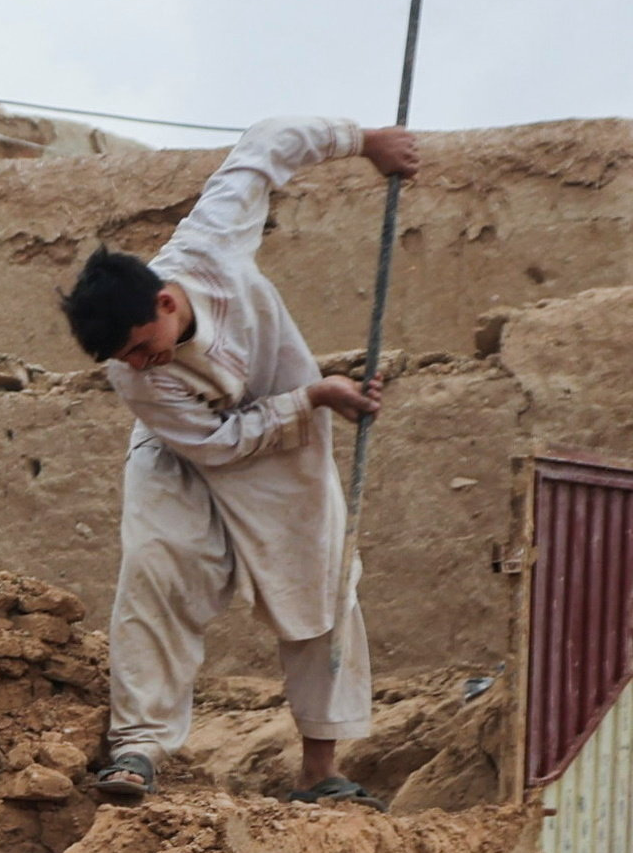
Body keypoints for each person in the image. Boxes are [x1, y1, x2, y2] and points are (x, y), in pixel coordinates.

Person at [55, 113, 429, 805]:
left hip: (286, 451)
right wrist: (313, 394)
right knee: (157, 567)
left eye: (142, 345)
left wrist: (365, 143)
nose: (138, 364)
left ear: (165, 300)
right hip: (185, 455)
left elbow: (266, 145)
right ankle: (138, 747)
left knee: (325, 586)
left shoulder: (210, 244)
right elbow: (219, 444)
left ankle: (320, 771)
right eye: (124, 359)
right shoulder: (135, 377)